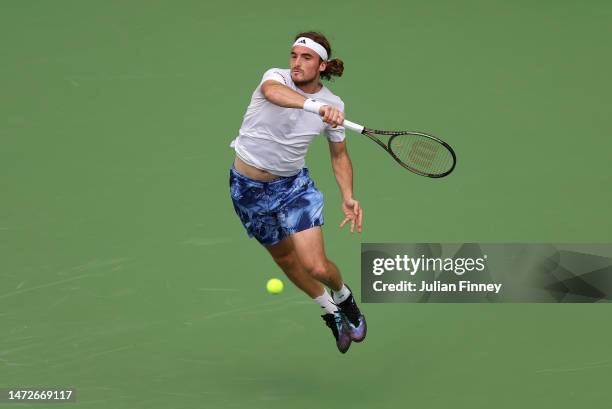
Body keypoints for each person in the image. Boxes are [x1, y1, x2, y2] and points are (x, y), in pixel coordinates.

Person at [229, 31, 366, 353]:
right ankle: (329, 312)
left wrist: (348, 195)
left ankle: (343, 297)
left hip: (293, 189)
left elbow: (339, 155)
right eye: (294, 55)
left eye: (306, 58)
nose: (296, 63)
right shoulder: (275, 78)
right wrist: (315, 107)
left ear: (322, 65)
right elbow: (274, 94)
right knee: (285, 259)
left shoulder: (335, 106)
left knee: (315, 266)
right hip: (246, 189)